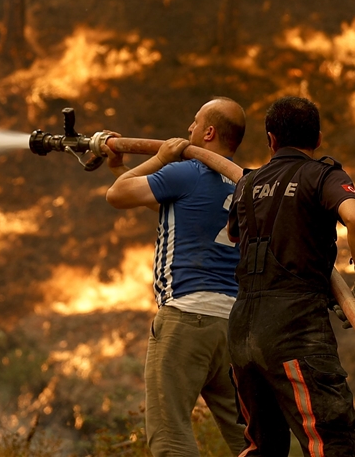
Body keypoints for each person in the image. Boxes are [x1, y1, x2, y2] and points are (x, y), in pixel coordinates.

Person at [226, 96, 355, 456]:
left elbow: (235, 235)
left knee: (261, 447)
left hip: (242, 332)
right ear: (319, 138)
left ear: (270, 140)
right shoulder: (322, 175)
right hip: (296, 332)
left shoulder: (246, 185)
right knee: (330, 441)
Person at [103, 97, 248, 457]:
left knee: (170, 435)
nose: (188, 130)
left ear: (209, 132)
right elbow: (157, 199)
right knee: (249, 439)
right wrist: (118, 165)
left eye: (195, 122)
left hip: (186, 319)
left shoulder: (185, 172)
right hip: (231, 328)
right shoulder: (244, 186)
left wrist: (161, 158)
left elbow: (117, 195)